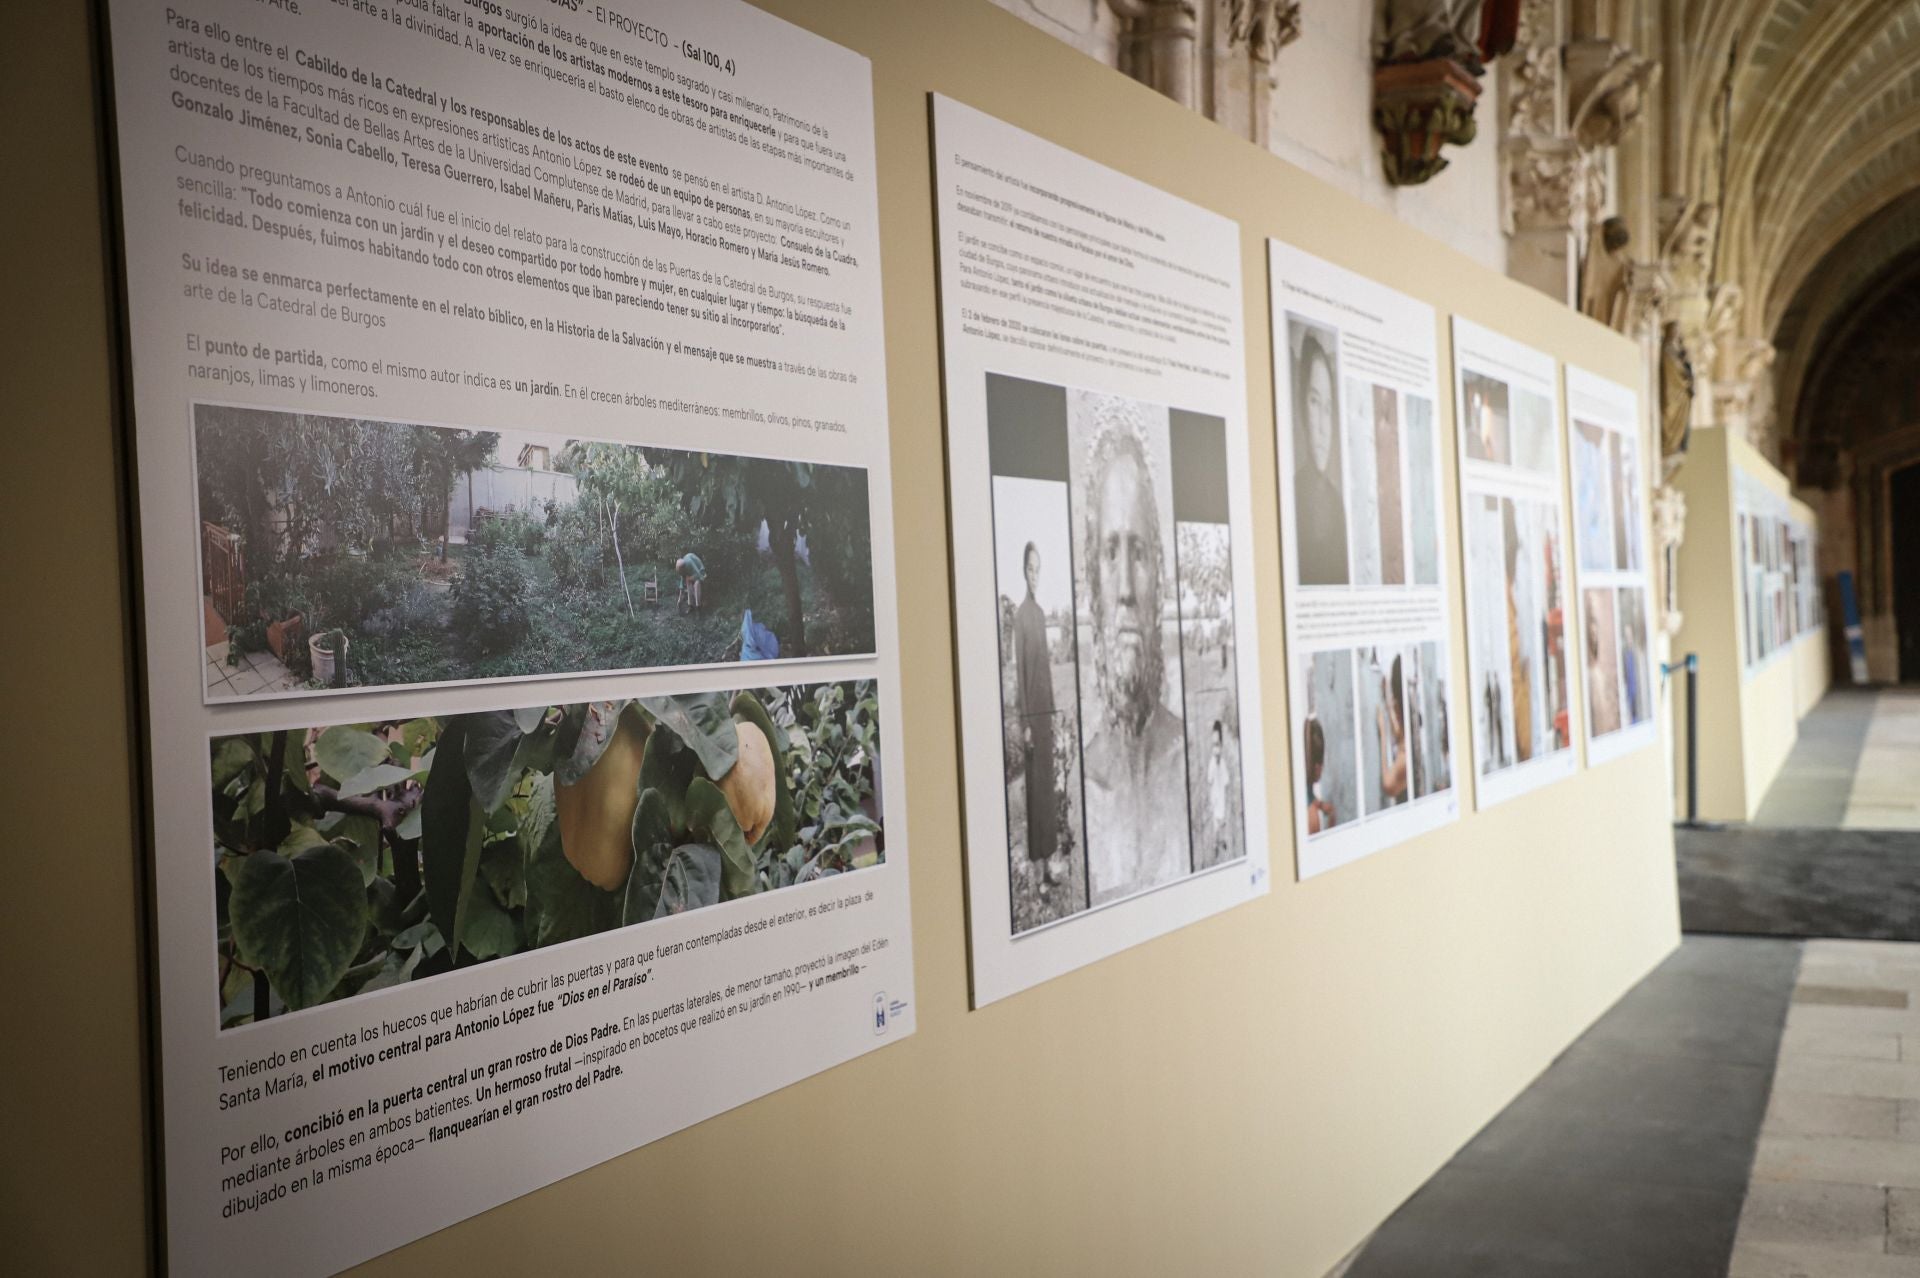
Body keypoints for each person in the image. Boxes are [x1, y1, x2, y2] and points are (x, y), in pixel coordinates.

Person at [1080, 424, 1188, 902]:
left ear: (1157, 580)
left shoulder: (1186, 754)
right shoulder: (1082, 779)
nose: (1125, 588)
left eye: (1138, 553)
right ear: (1093, 583)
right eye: (1110, 553)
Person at [1012, 541, 1067, 887]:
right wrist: (1026, 724)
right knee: (1034, 791)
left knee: (1046, 790)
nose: (1035, 576)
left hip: (1045, 715)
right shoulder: (1020, 617)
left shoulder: (1042, 614)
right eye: (1030, 569)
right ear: (1024, 572)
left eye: (1038, 570)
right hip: (1032, 717)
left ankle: (1048, 865)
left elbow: (1045, 668)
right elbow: (1021, 676)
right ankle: (1037, 873)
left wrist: (1053, 713)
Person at [1294, 332, 1350, 586]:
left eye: (1328, 408)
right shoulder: (1292, 496)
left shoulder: (1337, 502)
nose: (1322, 427)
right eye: (1314, 402)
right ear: (1301, 406)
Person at [1375, 654, 1408, 806]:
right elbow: (1397, 730)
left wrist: (1383, 735)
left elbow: (1388, 785)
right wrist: (1387, 701)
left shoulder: (1404, 759)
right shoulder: (1407, 740)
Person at [1303, 715, 1337, 834]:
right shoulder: (1312, 817)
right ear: (1317, 768)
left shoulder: (1303, 790)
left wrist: (1320, 804)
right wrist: (1331, 824)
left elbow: (1309, 795)